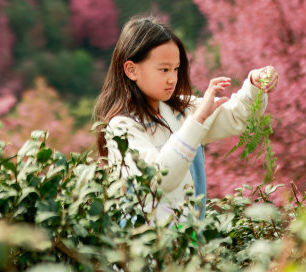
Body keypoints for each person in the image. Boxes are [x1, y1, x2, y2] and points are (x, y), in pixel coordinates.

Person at [93, 15, 279, 221]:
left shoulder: (179, 110)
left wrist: (254, 83)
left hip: (189, 242)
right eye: (163, 69)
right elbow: (160, 178)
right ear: (131, 70)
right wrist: (198, 120)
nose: (172, 78)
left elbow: (238, 117)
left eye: (175, 68)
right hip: (145, 246)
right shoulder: (121, 127)